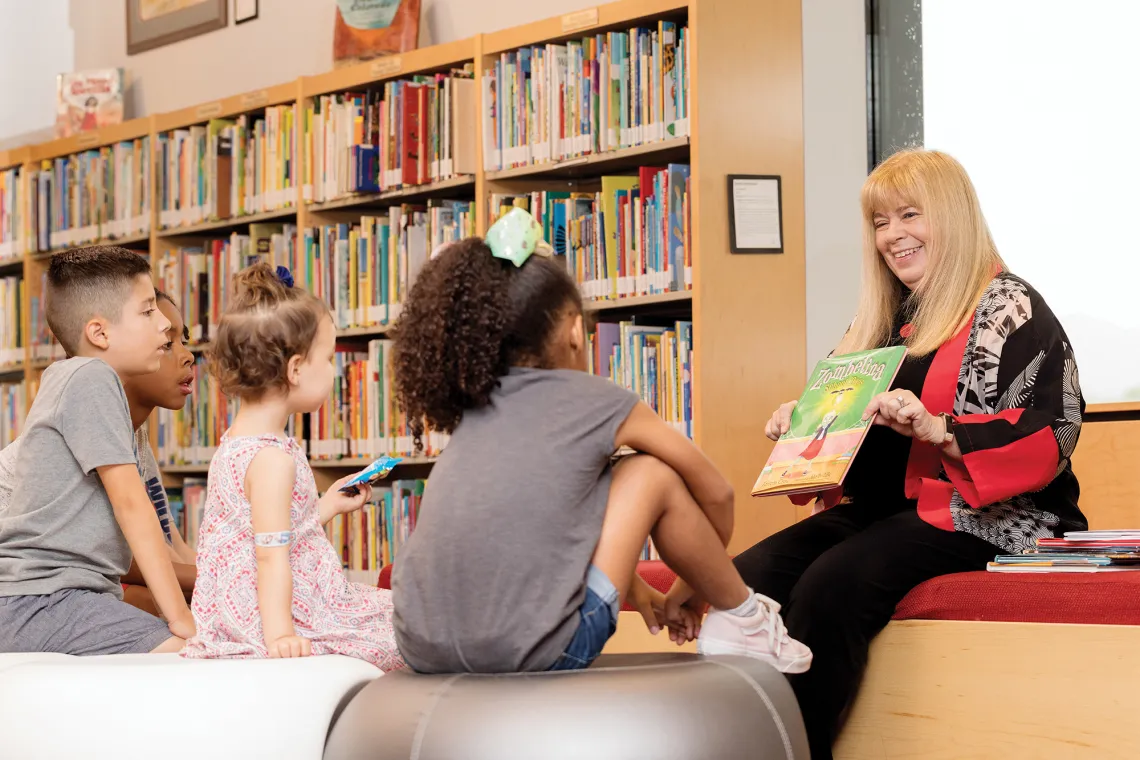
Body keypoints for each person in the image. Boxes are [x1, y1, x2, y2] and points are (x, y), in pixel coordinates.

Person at [734, 148, 1086, 760]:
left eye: (909, 215)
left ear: (950, 216)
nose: (892, 236)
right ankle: (740, 739)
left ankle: (793, 750)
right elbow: (843, 428)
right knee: (747, 581)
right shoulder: (878, 316)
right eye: (880, 222)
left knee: (830, 586)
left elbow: (1053, 432)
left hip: (990, 515)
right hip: (884, 509)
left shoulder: (1011, 308)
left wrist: (940, 429)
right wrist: (805, 424)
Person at [388, 207, 811, 674]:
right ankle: (743, 617)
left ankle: (735, 614)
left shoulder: (476, 410)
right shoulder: (598, 401)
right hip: (535, 653)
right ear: (574, 330)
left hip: (419, 647)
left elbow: (557, 530)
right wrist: (691, 589)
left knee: (593, 483)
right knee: (650, 471)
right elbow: (718, 494)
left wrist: (638, 590)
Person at [181, 263, 405, 671]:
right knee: (402, 634)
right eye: (329, 357)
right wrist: (281, 635)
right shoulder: (272, 460)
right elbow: (269, 559)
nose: (334, 370)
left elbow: (267, 532)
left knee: (398, 614)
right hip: (280, 613)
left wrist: (328, 506)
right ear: (296, 368)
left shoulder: (237, 443)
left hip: (258, 605)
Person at [0, 246, 194, 655]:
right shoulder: (90, 376)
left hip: (68, 599)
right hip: (41, 602)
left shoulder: (99, 393)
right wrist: (183, 623)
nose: (163, 324)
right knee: (194, 655)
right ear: (99, 333)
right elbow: (131, 505)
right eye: (147, 313)